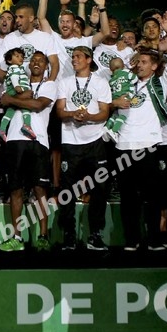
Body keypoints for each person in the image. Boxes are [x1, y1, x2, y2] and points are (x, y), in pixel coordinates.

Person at [112, 16, 167, 252]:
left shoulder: (160, 83)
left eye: (144, 62)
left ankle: (153, 239)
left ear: (153, 66)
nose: (139, 65)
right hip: (123, 145)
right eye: (138, 61)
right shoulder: (126, 83)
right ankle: (131, 239)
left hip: (149, 146)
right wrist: (115, 102)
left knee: (152, 196)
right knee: (128, 197)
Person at [0, 50, 56, 251]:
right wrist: (14, 98)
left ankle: (43, 236)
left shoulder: (49, 85)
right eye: (34, 60)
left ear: (46, 66)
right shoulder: (18, 81)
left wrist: (12, 100)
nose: (37, 63)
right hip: (14, 140)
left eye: (41, 61)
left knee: (40, 190)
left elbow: (37, 105)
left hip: (38, 140)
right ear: (29, 65)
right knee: (15, 190)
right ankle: (17, 237)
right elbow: (3, 100)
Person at [54, 45, 112, 250]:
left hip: (95, 141)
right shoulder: (65, 82)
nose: (74, 59)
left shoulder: (101, 83)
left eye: (78, 56)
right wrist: (73, 114)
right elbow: (60, 111)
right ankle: (69, 235)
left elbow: (104, 112)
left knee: (100, 188)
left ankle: (95, 234)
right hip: (71, 141)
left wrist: (89, 117)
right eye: (73, 56)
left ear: (89, 59)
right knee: (67, 190)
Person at [0, 47, 36, 142]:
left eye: (21, 56)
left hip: (11, 91)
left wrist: (6, 91)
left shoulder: (11, 69)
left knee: (10, 111)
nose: (20, 58)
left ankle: (2, 129)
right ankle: (27, 125)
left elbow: (6, 82)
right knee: (26, 106)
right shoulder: (15, 68)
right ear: (9, 60)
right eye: (17, 56)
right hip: (18, 90)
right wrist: (17, 86)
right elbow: (14, 77)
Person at [102, 56, 137, 144]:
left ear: (111, 69)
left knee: (115, 115)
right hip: (125, 97)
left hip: (116, 98)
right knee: (123, 116)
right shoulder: (126, 72)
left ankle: (107, 127)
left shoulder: (111, 80)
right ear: (123, 66)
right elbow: (135, 79)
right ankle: (114, 131)